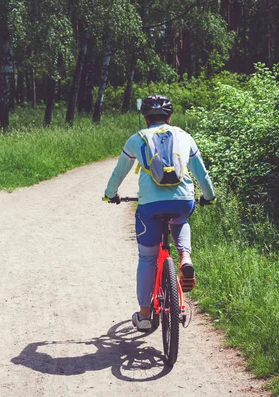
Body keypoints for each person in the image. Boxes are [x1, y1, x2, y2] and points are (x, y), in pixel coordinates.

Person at [103, 94, 216, 331]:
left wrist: (111, 193)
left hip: (151, 206)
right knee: (181, 217)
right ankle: (185, 256)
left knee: (147, 258)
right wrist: (208, 196)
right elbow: (202, 173)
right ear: (169, 116)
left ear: (145, 117)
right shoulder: (184, 136)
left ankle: (144, 316)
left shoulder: (137, 139)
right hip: (182, 201)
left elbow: (119, 172)